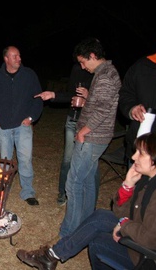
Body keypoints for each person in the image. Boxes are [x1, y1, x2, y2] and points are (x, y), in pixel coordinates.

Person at [16, 131, 156, 270]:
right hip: (139, 236)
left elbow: (151, 238)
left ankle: (49, 257)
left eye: (140, 154)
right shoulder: (150, 180)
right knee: (100, 216)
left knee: (97, 241)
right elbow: (121, 212)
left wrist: (124, 225)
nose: (133, 157)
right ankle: (51, 256)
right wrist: (127, 187)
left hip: (149, 258)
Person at [59, 37, 121, 238]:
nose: (82, 66)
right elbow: (103, 103)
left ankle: (69, 232)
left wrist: (84, 131)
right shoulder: (104, 73)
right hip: (96, 137)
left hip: (92, 138)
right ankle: (86, 224)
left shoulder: (105, 76)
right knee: (87, 182)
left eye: (83, 61)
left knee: (74, 182)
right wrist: (87, 99)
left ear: (92, 56)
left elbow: (103, 109)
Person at [0, 45, 44, 206]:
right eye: (15, 56)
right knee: (5, 161)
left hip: (22, 125)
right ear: (6, 59)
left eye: (19, 55)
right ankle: (1, 191)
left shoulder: (29, 75)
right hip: (3, 127)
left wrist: (31, 117)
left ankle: (27, 192)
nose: (19, 59)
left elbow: (38, 98)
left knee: (25, 159)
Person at [34, 63, 93, 206]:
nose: (82, 65)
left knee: (86, 160)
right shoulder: (77, 69)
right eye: (79, 62)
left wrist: (89, 96)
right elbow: (70, 94)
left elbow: (105, 103)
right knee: (67, 158)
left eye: (83, 61)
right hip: (72, 120)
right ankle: (63, 192)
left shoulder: (101, 74)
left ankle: (81, 195)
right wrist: (53, 94)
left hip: (89, 124)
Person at [119, 27, 156, 166]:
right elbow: (125, 94)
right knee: (133, 187)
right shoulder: (143, 67)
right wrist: (131, 108)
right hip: (139, 151)